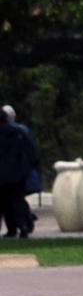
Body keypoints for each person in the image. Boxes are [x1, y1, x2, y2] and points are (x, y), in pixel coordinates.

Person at [0, 104, 37, 243]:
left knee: (4, 204)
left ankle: (11, 229)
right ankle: (23, 227)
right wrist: (27, 169)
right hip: (18, 174)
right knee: (17, 201)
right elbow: (30, 152)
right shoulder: (20, 132)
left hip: (1, 176)